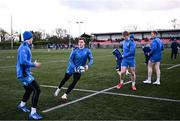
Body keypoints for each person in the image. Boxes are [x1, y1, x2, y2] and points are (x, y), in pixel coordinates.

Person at [16, 31, 43, 120]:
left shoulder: (25, 46)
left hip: (24, 73)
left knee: (29, 90)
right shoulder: (24, 47)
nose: (32, 39)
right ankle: (33, 113)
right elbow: (23, 62)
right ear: (29, 38)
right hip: (23, 74)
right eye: (32, 38)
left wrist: (28, 71)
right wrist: (34, 65)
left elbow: (23, 62)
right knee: (37, 90)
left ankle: (22, 105)